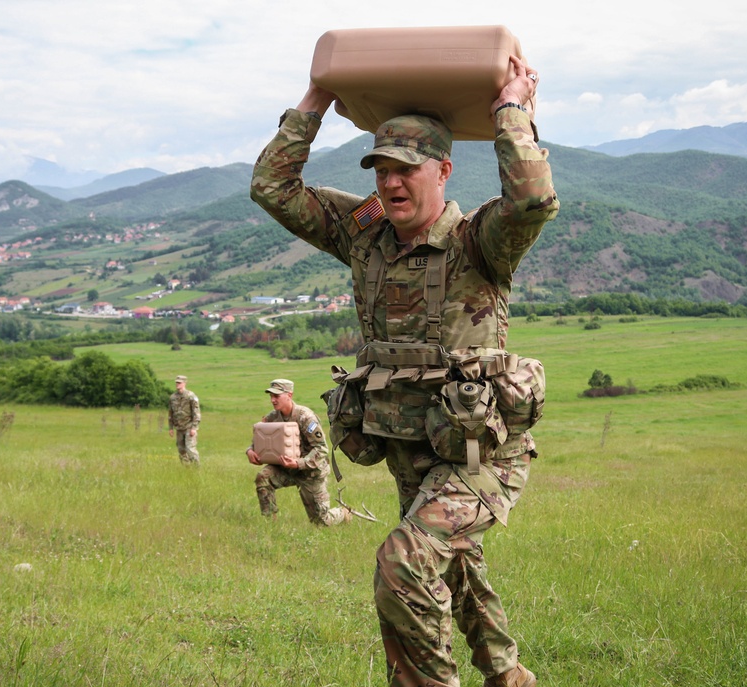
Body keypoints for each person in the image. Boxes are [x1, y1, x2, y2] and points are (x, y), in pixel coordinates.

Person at [250, 56, 558, 687]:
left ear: (443, 170)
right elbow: (272, 189)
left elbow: (532, 199)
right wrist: (315, 98)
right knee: (453, 568)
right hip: (410, 446)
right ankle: (508, 677)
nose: (390, 184)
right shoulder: (362, 235)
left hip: (480, 453)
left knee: (403, 563)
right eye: (381, 170)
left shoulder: (481, 241)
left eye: (405, 170)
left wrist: (511, 111)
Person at [246, 378, 350, 526]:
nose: (273, 400)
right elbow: (258, 442)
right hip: (286, 469)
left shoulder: (305, 417)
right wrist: (250, 451)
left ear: (289, 395)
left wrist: (298, 463)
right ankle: (270, 524)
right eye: (271, 396)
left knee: (320, 522)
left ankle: (343, 513)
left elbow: (321, 449)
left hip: (310, 473)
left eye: (277, 396)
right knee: (263, 478)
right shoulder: (272, 418)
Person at [167, 375, 200, 465]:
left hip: (189, 427)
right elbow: (171, 413)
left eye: (179, 382)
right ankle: (187, 468)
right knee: (181, 450)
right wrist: (170, 427)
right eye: (176, 382)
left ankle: (197, 468)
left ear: (184, 383)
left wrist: (194, 428)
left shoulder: (191, 396)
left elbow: (196, 413)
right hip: (179, 428)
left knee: (190, 448)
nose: (177, 384)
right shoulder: (173, 397)